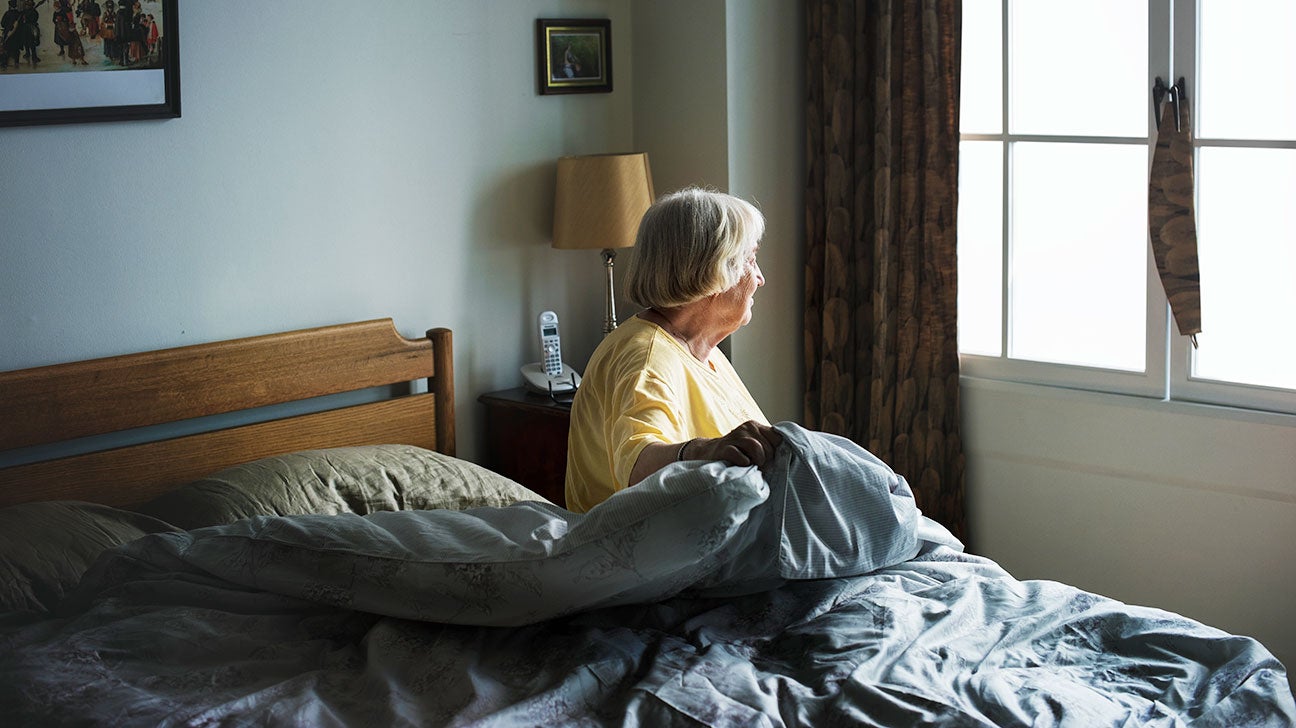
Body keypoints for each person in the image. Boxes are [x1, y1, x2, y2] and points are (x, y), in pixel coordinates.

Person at [564, 187, 782, 513]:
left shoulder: (704, 352)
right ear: (714, 270)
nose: (760, 278)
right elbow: (638, 467)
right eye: (751, 259)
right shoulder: (646, 356)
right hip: (644, 555)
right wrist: (706, 452)